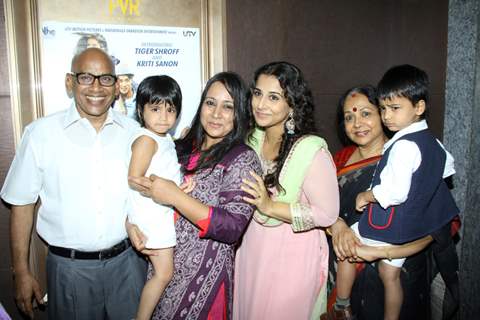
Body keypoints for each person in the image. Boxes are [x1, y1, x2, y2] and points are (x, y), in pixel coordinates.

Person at [0, 48, 147, 319]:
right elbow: (21, 204)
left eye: (105, 79)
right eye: (86, 77)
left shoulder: (135, 133)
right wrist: (20, 271)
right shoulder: (40, 134)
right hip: (69, 271)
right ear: (70, 82)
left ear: (116, 87)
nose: (96, 87)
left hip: (128, 266)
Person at [322, 65, 459, 320]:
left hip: (400, 268)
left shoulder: (411, 156)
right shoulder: (336, 160)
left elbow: (440, 222)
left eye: (366, 113)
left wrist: (385, 252)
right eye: (349, 117)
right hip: (345, 267)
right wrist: (337, 225)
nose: (357, 123)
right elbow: (318, 209)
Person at [128, 71, 261, 319]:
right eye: (210, 103)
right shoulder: (179, 148)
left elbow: (232, 227)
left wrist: (175, 196)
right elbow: (138, 185)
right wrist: (130, 223)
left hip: (204, 280)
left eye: (228, 107)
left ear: (239, 113)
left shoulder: (242, 159)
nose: (216, 114)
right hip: (162, 266)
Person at [233, 61, 340, 320]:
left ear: (292, 103)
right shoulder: (251, 140)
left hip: (290, 256)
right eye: (257, 94)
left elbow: (327, 214)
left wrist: (270, 207)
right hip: (251, 249)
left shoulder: (310, 150)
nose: (260, 104)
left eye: (273, 97)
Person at [127, 75, 183, 320]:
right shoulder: (147, 140)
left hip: (158, 211)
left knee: (162, 273)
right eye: (156, 109)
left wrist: (178, 188)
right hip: (150, 216)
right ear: (141, 110)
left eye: (170, 110)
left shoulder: (164, 138)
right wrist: (166, 189)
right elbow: (134, 178)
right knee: (163, 274)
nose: (163, 116)